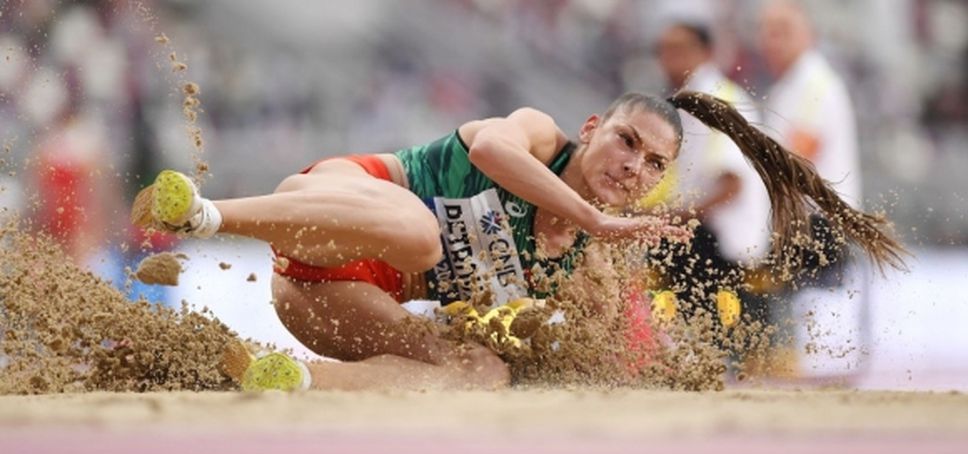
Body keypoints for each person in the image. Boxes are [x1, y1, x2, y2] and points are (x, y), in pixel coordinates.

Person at [133, 91, 905, 392]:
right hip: (335, 207)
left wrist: (679, 373)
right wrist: (595, 218)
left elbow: (613, 355)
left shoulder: (591, 265)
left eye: (654, 165)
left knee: (480, 370)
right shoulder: (538, 137)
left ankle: (282, 380)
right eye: (627, 142)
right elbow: (485, 152)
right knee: (421, 232)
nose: (632, 167)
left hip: (328, 301)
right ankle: (201, 214)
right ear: (595, 128)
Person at [758, 0, 871, 379]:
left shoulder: (813, 83)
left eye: (783, 31)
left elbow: (793, 158)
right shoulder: (790, 86)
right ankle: (762, 351)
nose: (772, 41)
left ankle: (765, 352)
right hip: (796, 221)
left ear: (809, 37)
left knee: (726, 245)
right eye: (768, 31)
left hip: (820, 224)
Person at [652, 21, 771, 323]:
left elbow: (732, 185)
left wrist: (671, 218)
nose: (669, 58)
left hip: (724, 238)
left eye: (679, 49)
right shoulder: (688, 100)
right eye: (664, 50)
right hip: (707, 229)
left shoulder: (716, 100)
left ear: (706, 53)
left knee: (646, 246)